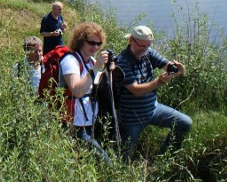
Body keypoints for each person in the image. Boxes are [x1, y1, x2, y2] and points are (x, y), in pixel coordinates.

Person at [114, 25, 191, 160]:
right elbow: (135, 90)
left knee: (185, 123)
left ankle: (162, 159)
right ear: (131, 40)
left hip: (153, 110)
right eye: (142, 46)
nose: (145, 49)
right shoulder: (122, 62)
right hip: (131, 118)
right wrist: (158, 82)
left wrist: (178, 70)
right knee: (123, 157)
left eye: (148, 46)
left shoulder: (148, 53)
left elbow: (167, 66)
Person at [60, 23, 109, 162]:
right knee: (104, 160)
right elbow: (77, 91)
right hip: (75, 123)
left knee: (80, 160)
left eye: (98, 44)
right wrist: (97, 67)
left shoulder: (91, 61)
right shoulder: (70, 60)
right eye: (91, 43)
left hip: (90, 121)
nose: (95, 47)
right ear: (81, 41)